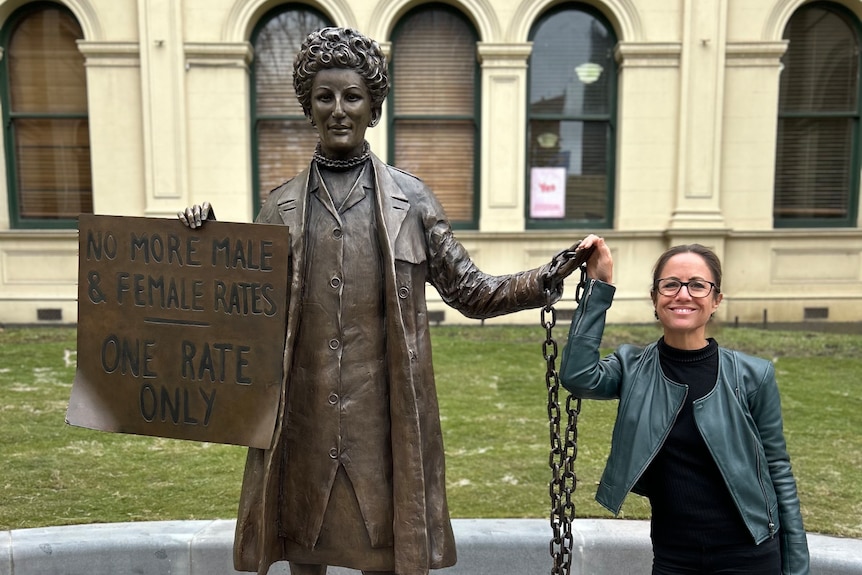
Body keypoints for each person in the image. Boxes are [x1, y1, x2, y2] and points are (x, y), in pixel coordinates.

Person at [180, 27, 582, 575]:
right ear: (309, 106)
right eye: (325, 97)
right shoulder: (279, 209)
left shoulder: (411, 202)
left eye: (352, 96)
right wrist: (197, 246)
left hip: (383, 425)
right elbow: (240, 316)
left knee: (385, 551)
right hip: (301, 422)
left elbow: (472, 290)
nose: (339, 109)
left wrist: (549, 274)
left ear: (373, 106)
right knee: (302, 548)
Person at [558, 235, 810, 575]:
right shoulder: (632, 367)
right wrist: (600, 285)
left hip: (750, 555)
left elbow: (778, 469)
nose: (683, 294)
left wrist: (796, 568)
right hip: (674, 557)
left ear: (716, 299)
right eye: (671, 284)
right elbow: (578, 376)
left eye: (697, 285)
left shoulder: (753, 376)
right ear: (654, 297)